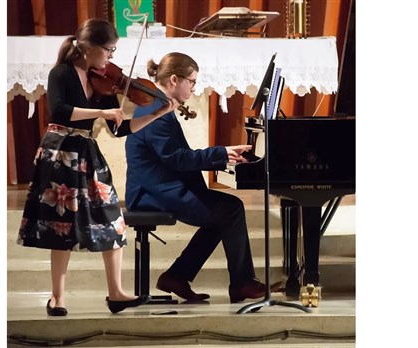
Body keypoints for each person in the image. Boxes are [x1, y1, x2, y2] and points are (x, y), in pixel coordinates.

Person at [16, 19, 178, 315]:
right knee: (60, 224)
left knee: (112, 218)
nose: (111, 57)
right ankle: (57, 298)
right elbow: (60, 110)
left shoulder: (104, 81)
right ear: (89, 47)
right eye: (109, 50)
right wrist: (102, 111)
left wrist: (157, 113)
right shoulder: (61, 73)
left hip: (87, 152)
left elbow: (120, 128)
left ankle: (116, 293)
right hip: (61, 152)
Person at [124, 52, 280, 303]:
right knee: (231, 210)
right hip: (154, 193)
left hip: (161, 187)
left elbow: (176, 157)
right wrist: (221, 154)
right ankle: (241, 283)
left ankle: (178, 276)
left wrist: (221, 156)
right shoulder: (157, 111)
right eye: (192, 81)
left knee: (224, 212)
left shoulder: (159, 106)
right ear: (174, 79)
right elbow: (176, 158)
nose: (194, 88)